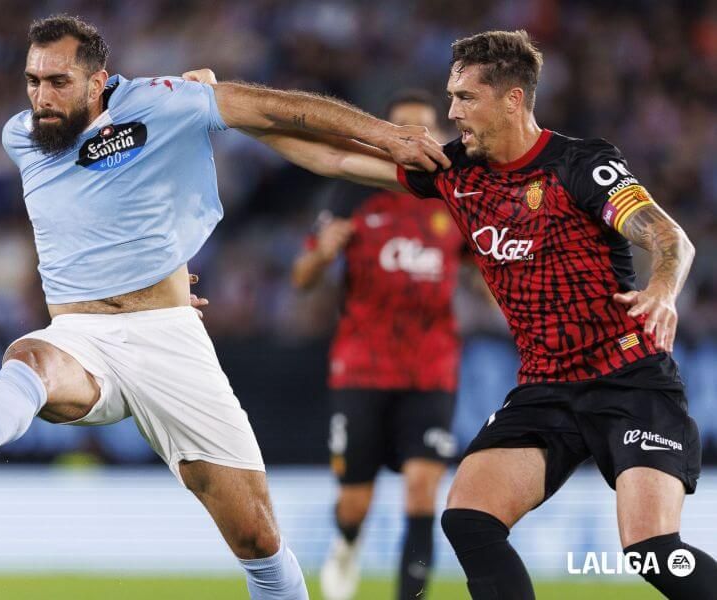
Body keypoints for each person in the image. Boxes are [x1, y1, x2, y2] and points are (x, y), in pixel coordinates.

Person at [190, 28, 716, 599]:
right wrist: (227, 111)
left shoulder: (582, 165)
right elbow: (332, 157)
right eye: (451, 96)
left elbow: (668, 237)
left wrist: (662, 289)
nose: (451, 112)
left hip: (630, 380)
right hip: (547, 388)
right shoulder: (453, 171)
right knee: (468, 516)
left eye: (465, 98)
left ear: (512, 99)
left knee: (653, 554)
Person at [0, 15, 447, 600]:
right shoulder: (23, 135)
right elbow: (103, 205)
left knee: (257, 537)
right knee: (30, 359)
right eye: (32, 81)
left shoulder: (164, 103)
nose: (40, 98)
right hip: (80, 334)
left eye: (57, 82)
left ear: (98, 80)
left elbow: (283, 112)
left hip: (168, 337)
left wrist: (390, 137)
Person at [289, 90, 462, 600]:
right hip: (362, 368)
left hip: (431, 367)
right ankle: (346, 545)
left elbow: (488, 264)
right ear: (386, 136)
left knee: (422, 488)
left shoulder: (454, 200)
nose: (413, 139)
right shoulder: (351, 195)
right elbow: (301, 278)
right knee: (355, 504)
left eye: (423, 129)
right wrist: (323, 254)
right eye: (402, 129)